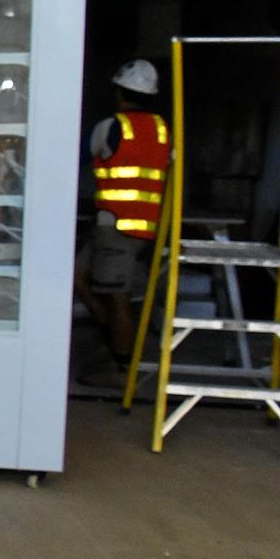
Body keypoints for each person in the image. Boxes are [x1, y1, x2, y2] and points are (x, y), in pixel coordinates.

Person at [78, 58, 168, 363]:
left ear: (119, 92)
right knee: (76, 276)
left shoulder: (111, 128)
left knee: (118, 298)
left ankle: (120, 364)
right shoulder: (161, 129)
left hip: (114, 226)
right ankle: (111, 335)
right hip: (144, 226)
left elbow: (76, 158)